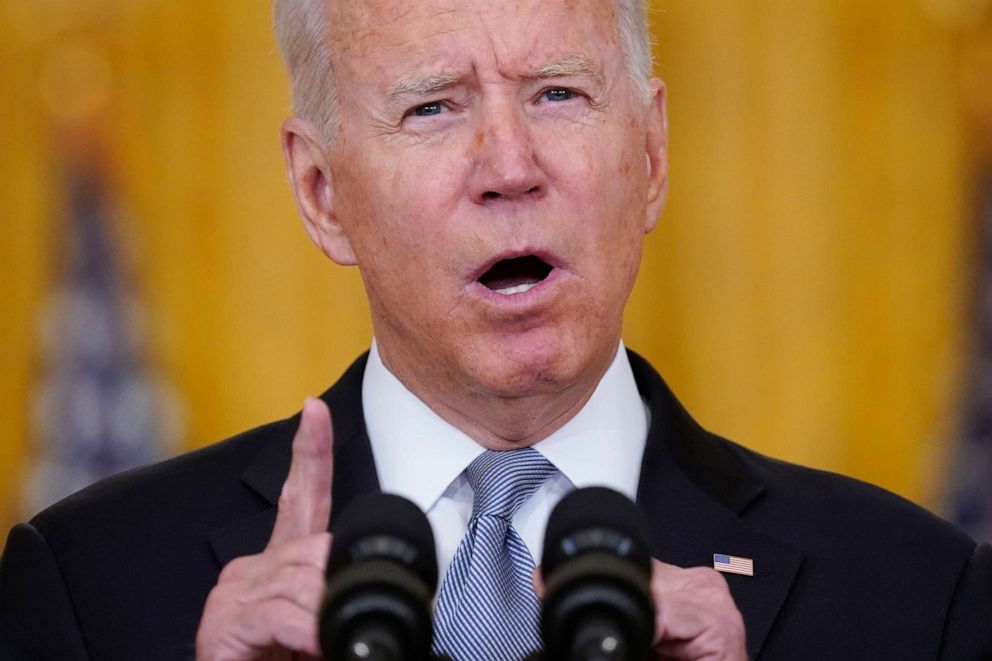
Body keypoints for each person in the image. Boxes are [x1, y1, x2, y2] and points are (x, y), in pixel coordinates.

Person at [1, 0, 990, 659]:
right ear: (320, 193)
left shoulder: (914, 591)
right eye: (433, 107)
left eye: (557, 93)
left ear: (648, 154)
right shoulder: (93, 585)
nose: (508, 165)